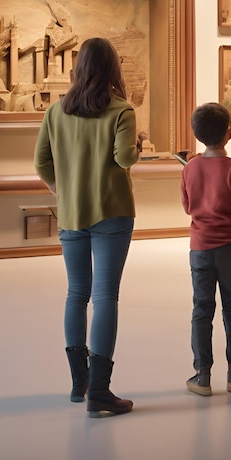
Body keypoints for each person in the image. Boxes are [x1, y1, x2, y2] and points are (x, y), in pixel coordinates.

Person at [34, 37, 142, 416]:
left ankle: (78, 383)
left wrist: (62, 192)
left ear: (77, 68)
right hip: (112, 214)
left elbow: (41, 163)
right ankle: (100, 390)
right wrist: (138, 144)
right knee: (105, 298)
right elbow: (124, 157)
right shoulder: (121, 110)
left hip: (71, 216)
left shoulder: (55, 111)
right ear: (113, 68)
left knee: (76, 294)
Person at [180, 102, 231, 396]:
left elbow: (188, 207)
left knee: (201, 309)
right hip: (228, 249)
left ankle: (202, 375)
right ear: (229, 133)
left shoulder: (190, 168)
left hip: (199, 248)